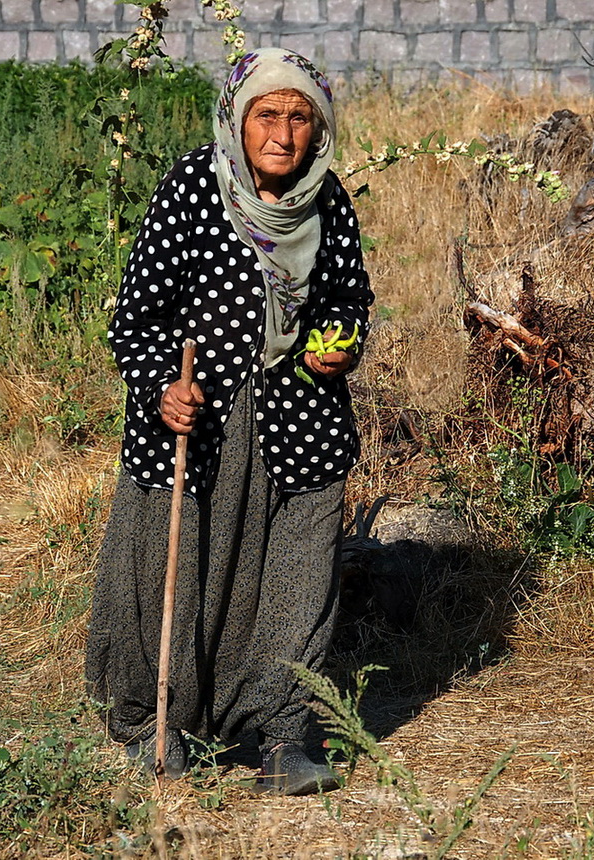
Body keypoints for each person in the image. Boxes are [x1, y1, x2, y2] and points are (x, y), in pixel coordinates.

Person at [85, 47, 373, 796]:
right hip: (197, 418)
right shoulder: (193, 188)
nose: (282, 134)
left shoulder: (327, 200)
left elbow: (348, 297)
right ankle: (157, 723)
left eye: (299, 118)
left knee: (300, 575)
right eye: (267, 115)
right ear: (237, 120)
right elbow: (136, 318)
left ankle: (280, 734)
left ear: (320, 129)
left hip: (300, 420)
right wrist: (159, 390)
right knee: (173, 569)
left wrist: (338, 346)